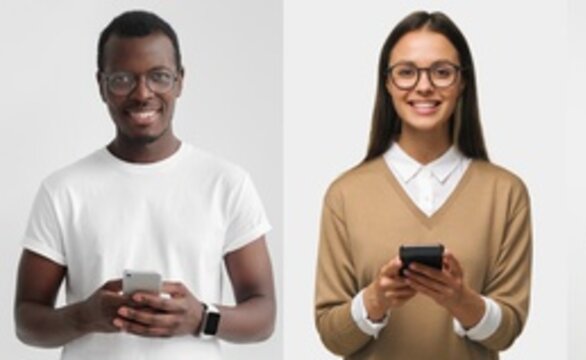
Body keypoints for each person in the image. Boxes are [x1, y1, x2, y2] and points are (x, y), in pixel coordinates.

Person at [13, 10, 277, 359]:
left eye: (159, 77)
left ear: (180, 81)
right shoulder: (63, 190)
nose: (142, 93)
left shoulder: (227, 183)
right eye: (122, 79)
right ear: (101, 85)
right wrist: (86, 316)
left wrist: (201, 317)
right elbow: (26, 320)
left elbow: (264, 314)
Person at [310, 11, 532, 359]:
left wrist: (461, 300)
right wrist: (376, 300)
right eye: (407, 72)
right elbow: (332, 335)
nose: (424, 86)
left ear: (462, 83)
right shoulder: (345, 195)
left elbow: (507, 331)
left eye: (442, 72)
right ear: (387, 83)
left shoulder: (505, 193)